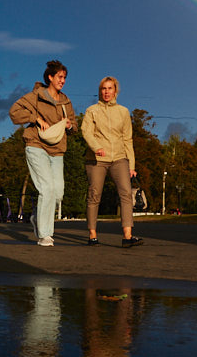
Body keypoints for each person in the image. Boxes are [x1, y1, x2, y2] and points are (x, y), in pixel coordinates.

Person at [9, 60, 75, 246]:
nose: (62, 81)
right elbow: (14, 112)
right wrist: (35, 118)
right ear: (50, 77)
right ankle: (45, 235)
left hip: (57, 149)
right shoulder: (35, 96)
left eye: (64, 78)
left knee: (58, 193)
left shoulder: (66, 101)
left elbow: (74, 126)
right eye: (60, 77)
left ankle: (37, 216)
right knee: (46, 188)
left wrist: (69, 125)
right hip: (36, 145)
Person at [80, 76, 143, 247]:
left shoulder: (123, 111)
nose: (106, 92)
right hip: (96, 159)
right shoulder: (92, 110)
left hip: (119, 158)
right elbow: (86, 132)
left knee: (126, 194)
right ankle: (92, 235)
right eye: (103, 88)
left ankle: (127, 236)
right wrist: (96, 147)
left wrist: (132, 165)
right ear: (100, 91)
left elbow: (127, 139)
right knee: (94, 195)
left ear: (116, 91)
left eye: (110, 88)